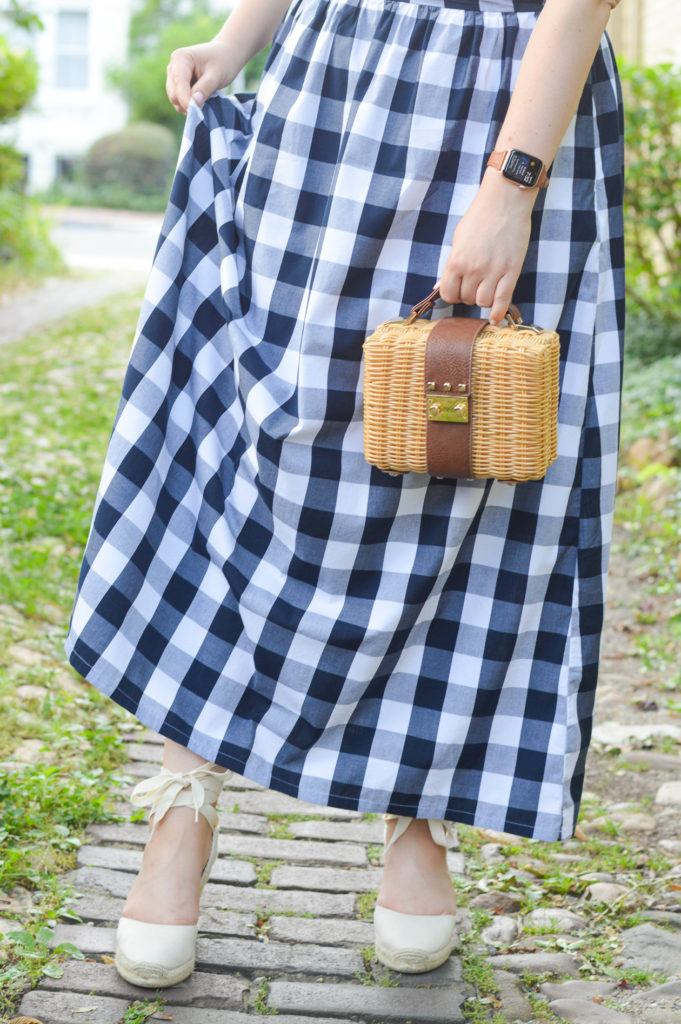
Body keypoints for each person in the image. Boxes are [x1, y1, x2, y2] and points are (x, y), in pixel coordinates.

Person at [64, 0, 624, 988]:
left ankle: (422, 818)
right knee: (258, 442)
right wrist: (236, 41)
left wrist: (513, 186)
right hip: (331, 89)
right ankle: (182, 807)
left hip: (507, 103)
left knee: (471, 456)